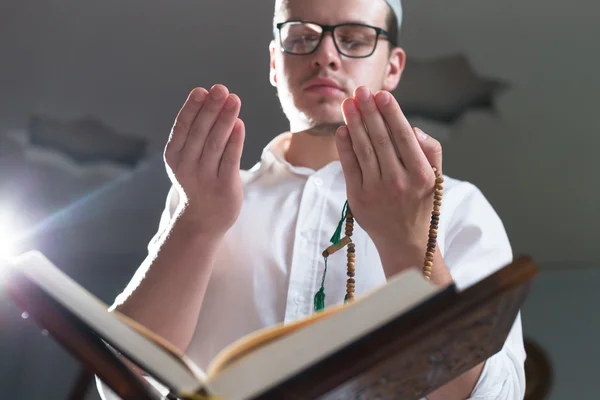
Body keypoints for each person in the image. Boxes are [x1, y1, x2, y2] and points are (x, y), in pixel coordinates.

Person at [98, 0, 526, 398]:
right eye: (302, 37)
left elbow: (496, 394)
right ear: (273, 61)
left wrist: (410, 245)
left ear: (393, 66)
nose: (326, 55)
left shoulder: (456, 206)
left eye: (355, 39)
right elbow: (119, 381)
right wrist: (197, 223)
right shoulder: (201, 197)